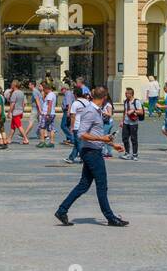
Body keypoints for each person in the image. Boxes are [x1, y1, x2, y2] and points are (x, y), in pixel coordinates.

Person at [54, 87, 128, 227]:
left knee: (83, 185)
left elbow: (97, 134)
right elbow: (82, 134)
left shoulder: (95, 111)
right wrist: (103, 139)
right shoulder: (90, 111)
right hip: (91, 153)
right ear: (104, 97)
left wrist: (112, 145)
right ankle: (110, 217)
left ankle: (62, 210)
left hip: (92, 151)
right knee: (102, 185)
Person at [65, 87, 89, 164]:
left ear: (75, 94)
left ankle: (84, 158)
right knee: (77, 142)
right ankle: (71, 158)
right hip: (85, 125)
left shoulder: (75, 103)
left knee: (78, 143)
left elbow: (73, 116)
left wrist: (71, 127)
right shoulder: (87, 102)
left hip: (77, 126)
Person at [121, 87, 142, 160]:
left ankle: (135, 154)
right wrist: (122, 121)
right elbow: (125, 111)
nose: (125, 94)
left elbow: (141, 112)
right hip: (126, 122)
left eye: (127, 93)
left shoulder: (136, 101)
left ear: (131, 94)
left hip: (133, 123)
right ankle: (127, 153)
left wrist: (133, 111)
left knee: (134, 139)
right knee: (125, 138)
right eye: (125, 93)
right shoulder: (125, 101)